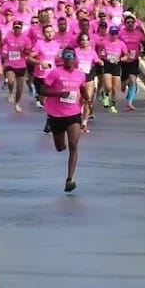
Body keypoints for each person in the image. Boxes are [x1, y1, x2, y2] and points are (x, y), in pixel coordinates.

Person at [39, 47, 87, 193]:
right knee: (60, 147)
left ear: (75, 59)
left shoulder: (80, 75)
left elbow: (83, 89)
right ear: (63, 59)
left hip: (73, 114)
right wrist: (59, 94)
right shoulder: (55, 73)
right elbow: (43, 90)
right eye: (66, 58)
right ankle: (61, 144)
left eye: (71, 58)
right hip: (56, 115)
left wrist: (87, 99)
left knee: (74, 144)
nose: (69, 61)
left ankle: (70, 179)